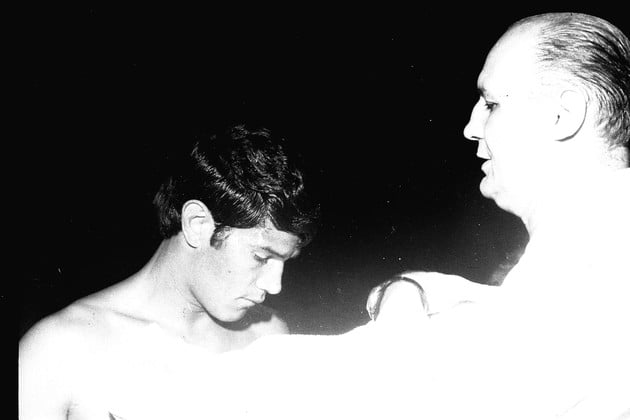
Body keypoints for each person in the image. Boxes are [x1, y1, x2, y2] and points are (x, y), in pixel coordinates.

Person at [197, 12, 629, 419]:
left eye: (492, 104)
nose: (471, 128)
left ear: (562, 115)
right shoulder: (585, 252)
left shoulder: (597, 266)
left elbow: (413, 398)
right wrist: (413, 289)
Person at [18, 124, 320, 420]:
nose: (275, 285)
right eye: (261, 256)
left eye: (286, 260)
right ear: (197, 224)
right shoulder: (58, 349)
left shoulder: (269, 339)